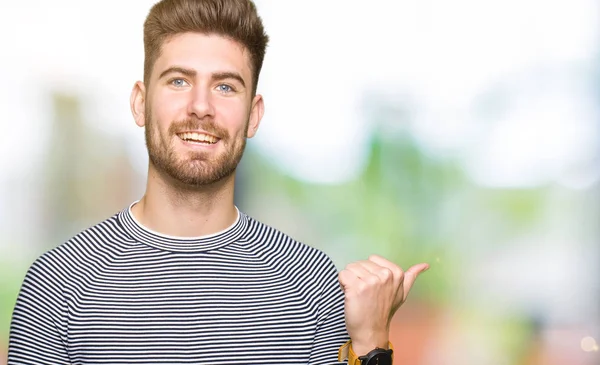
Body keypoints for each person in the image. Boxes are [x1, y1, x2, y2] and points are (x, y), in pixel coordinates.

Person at [7, 0, 429, 364]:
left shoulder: (311, 283)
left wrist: (373, 346)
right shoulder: (57, 285)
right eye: (178, 81)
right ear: (140, 102)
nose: (201, 107)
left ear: (254, 114)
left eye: (225, 87)